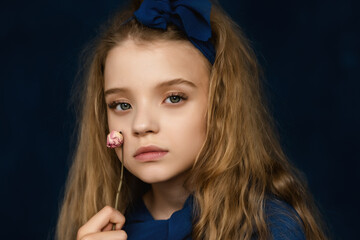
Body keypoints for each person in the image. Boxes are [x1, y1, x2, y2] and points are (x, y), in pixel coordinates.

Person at [56, 0, 328, 239]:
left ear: (220, 105)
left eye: (174, 98)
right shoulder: (102, 229)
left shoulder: (268, 228)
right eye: (122, 105)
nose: (141, 125)